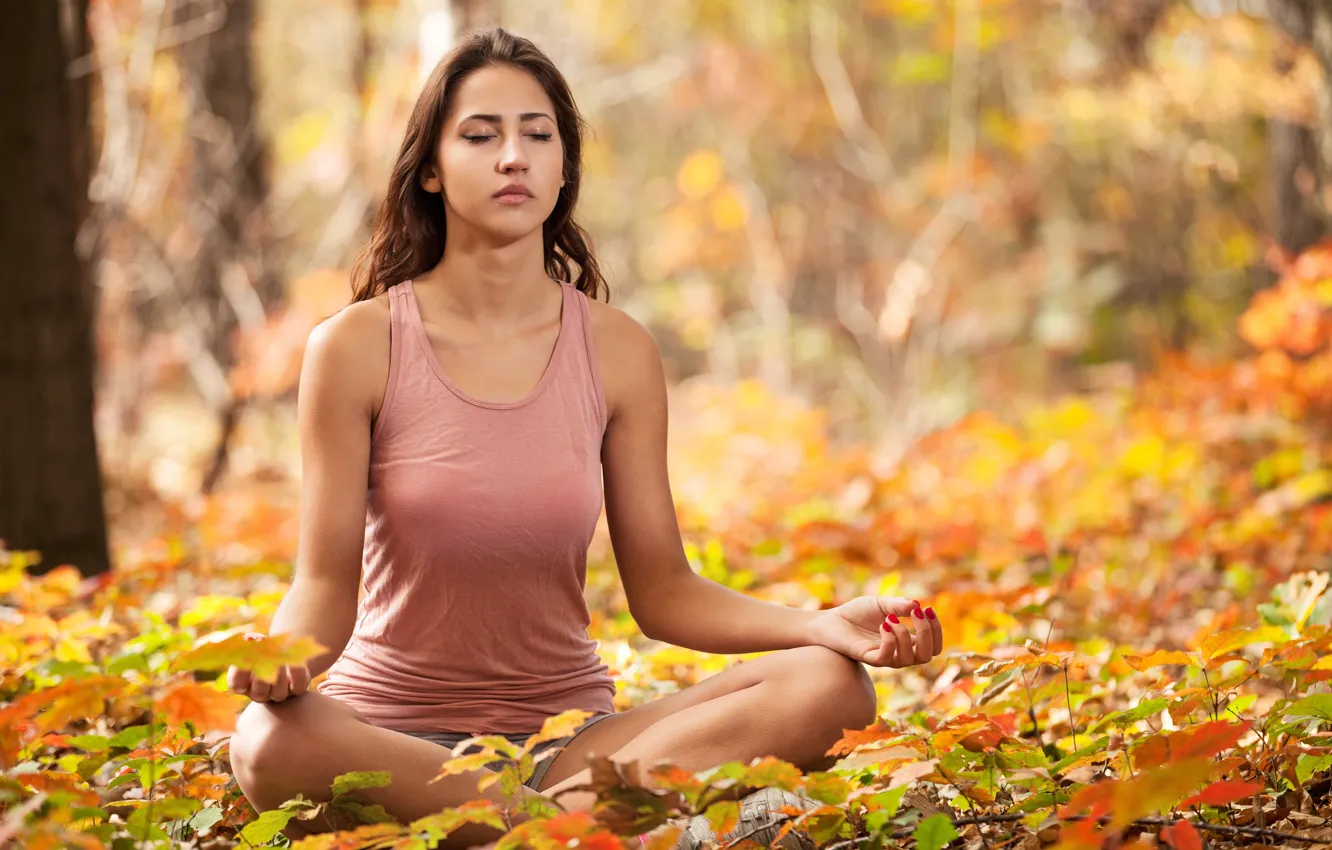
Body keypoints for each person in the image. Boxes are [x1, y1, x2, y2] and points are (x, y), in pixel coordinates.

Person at [224, 26, 944, 849]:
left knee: (833, 687)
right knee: (267, 738)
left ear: (564, 167)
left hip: (572, 745)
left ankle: (526, 827)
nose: (512, 157)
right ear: (429, 167)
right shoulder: (354, 347)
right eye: (480, 134)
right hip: (389, 740)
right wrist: (283, 661)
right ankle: (583, 832)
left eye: (538, 134)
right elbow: (321, 587)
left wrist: (821, 625)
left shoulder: (618, 350)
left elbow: (665, 592)